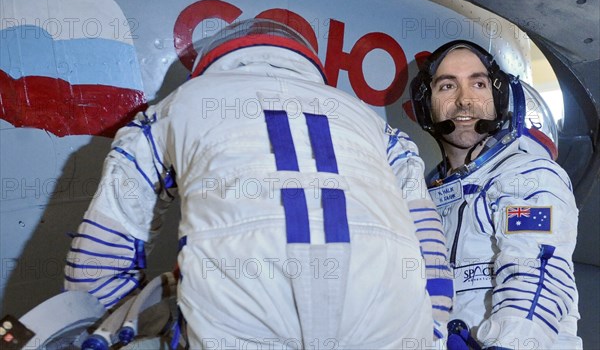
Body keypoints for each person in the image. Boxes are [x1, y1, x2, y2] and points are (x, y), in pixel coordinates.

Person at [64, 19, 452, 349]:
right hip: (386, 312)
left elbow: (100, 260)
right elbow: (428, 243)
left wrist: (123, 328)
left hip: (240, 309)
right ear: (308, 66)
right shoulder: (369, 120)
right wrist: (430, 332)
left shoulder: (179, 104)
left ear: (214, 62)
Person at [410, 40, 582, 350]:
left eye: (478, 83)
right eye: (447, 86)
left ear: (498, 97)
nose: (465, 100)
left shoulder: (527, 177)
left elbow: (537, 275)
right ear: (426, 105)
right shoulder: (423, 196)